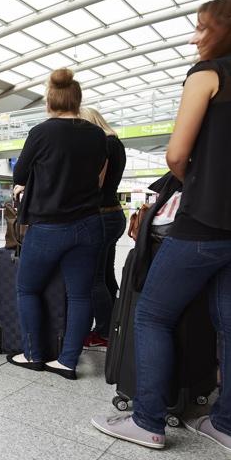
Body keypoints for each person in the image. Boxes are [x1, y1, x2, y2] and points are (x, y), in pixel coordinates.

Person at [91, 0, 231, 454]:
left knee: (153, 314)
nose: (194, 38)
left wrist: (198, 185)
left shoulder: (209, 74)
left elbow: (176, 155)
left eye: (203, 28)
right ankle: (228, 426)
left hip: (210, 222)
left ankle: (147, 420)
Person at [7, 69, 107, 378]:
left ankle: (34, 353)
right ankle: (67, 361)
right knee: (80, 295)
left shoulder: (42, 132)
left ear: (50, 101)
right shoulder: (96, 134)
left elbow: (20, 174)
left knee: (27, 288)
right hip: (90, 224)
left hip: (49, 226)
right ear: (77, 101)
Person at [79, 107, 127, 347]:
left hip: (101, 216)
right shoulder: (117, 143)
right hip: (115, 214)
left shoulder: (104, 144)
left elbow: (96, 182)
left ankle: (105, 332)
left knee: (94, 278)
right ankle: (115, 326)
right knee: (107, 275)